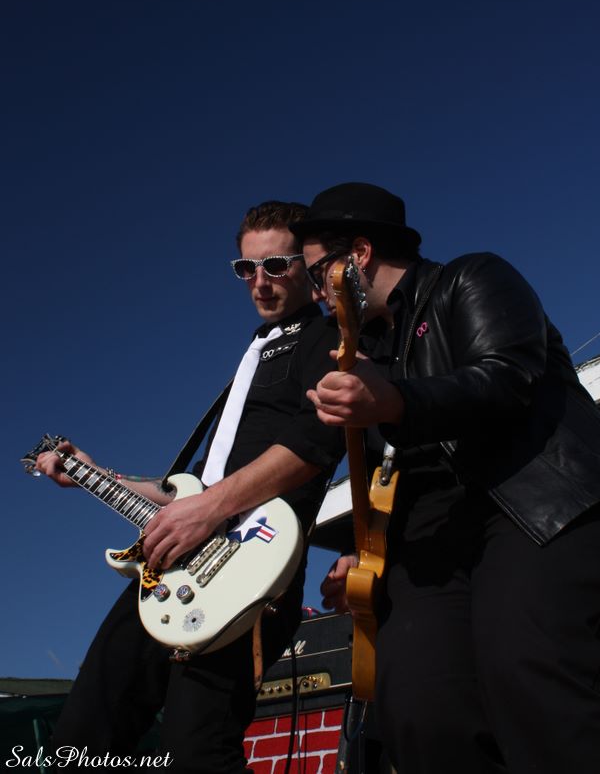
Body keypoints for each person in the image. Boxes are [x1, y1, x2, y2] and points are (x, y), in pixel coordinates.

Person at [289, 182, 600, 774]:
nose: (315, 292)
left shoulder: (470, 278)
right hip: (431, 546)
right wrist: (366, 551)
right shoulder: (363, 352)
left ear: (359, 255)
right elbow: (385, 477)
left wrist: (395, 401)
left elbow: (506, 378)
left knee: (529, 674)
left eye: (316, 273)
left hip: (527, 507)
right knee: (417, 708)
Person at [34, 200, 345, 773]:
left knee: (196, 750)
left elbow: (317, 440)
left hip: (249, 573)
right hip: (171, 567)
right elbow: (188, 491)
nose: (260, 282)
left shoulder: (324, 335)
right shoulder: (252, 354)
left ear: (308, 264)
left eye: (276, 266)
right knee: (82, 737)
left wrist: (209, 510)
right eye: (246, 268)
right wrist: (93, 474)